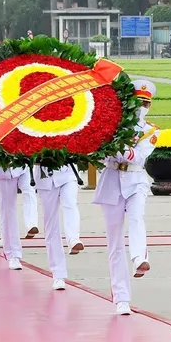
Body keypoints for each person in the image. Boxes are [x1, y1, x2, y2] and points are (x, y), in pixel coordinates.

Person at [92, 80, 159, 315]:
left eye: (145, 103)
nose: (141, 107)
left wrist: (116, 147)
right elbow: (98, 155)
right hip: (111, 181)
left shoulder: (152, 131)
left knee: (137, 218)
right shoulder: (112, 125)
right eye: (137, 102)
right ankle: (121, 298)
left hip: (135, 181)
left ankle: (140, 257)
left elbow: (137, 158)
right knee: (114, 244)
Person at [34, 164, 81, 290]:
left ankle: (73, 239)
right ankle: (58, 274)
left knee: (70, 203)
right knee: (51, 224)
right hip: (45, 177)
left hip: (67, 171)